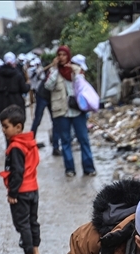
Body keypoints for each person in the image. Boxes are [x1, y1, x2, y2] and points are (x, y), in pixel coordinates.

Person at [0, 105, 41, 254]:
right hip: (33, 188)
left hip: (21, 191)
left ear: (18, 127)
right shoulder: (30, 142)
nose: (3, 130)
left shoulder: (16, 147)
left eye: (5, 126)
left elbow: (17, 172)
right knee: (33, 221)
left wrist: (12, 193)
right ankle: (36, 252)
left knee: (22, 223)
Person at [45, 46, 95, 178]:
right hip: (61, 111)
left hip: (77, 110)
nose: (61, 57)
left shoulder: (76, 69)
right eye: (59, 55)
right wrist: (55, 69)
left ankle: (89, 168)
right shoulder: (53, 71)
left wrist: (75, 73)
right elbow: (48, 86)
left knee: (83, 139)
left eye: (63, 55)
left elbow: (83, 86)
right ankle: (70, 169)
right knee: (65, 141)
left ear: (68, 56)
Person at [0, 52, 28, 122]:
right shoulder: (18, 74)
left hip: (1, 103)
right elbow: (24, 89)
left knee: (5, 123)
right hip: (16, 102)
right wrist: (28, 85)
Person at [28, 57, 56, 153]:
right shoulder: (52, 71)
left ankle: (55, 145)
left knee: (55, 120)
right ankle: (31, 142)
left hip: (51, 97)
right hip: (42, 95)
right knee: (37, 119)